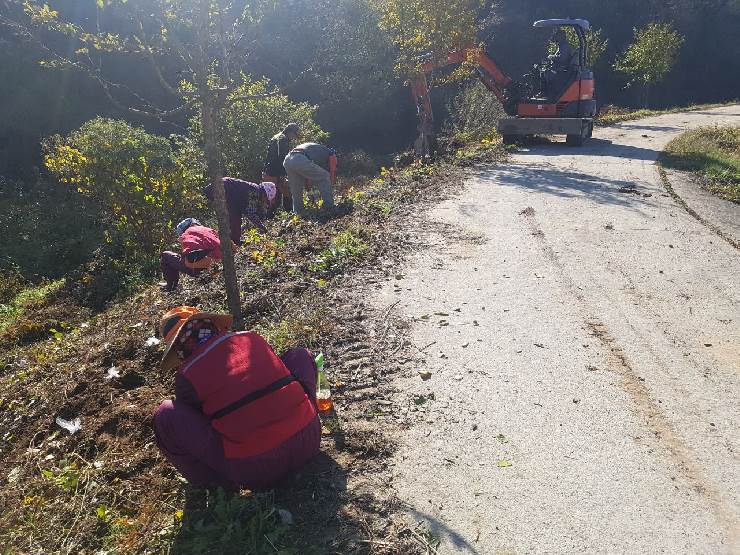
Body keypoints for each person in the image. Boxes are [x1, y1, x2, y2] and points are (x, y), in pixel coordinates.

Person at [153, 306, 321, 490]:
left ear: (179, 349)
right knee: (299, 355)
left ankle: (216, 486)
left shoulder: (187, 375)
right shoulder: (251, 337)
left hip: (258, 468)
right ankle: (306, 415)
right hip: (309, 439)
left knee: (166, 414)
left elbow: (198, 422)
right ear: (212, 325)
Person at [160, 218, 228, 292]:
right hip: (224, 264)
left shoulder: (187, 233)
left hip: (207, 269)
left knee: (165, 255)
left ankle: (171, 287)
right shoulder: (210, 230)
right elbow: (232, 247)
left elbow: (188, 262)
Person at [202, 178, 276, 244]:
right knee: (234, 218)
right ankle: (232, 242)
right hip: (222, 189)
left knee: (235, 216)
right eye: (266, 199)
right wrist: (262, 227)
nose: (265, 201)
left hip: (222, 187)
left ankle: (232, 240)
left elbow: (246, 208)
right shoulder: (255, 193)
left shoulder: (254, 189)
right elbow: (250, 213)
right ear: (264, 194)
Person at [282, 142, 337, 217]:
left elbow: (308, 177)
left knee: (296, 189)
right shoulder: (331, 153)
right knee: (325, 176)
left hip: (288, 160)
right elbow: (332, 171)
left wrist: (309, 192)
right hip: (299, 158)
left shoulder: (315, 151)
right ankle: (329, 206)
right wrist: (332, 183)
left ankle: (298, 212)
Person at [262, 123, 301, 212]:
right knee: (286, 193)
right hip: (275, 172)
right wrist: (284, 174)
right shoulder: (283, 139)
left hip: (269, 171)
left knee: (273, 196)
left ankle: (273, 217)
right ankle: (288, 213)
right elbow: (282, 158)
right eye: (294, 135)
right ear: (291, 132)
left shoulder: (277, 137)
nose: (294, 138)